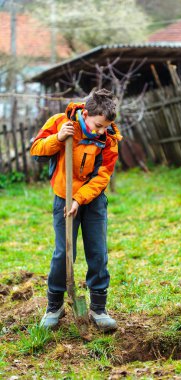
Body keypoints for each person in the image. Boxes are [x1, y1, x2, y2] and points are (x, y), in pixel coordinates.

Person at [30, 89, 122, 332]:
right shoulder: (61, 122)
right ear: (87, 113)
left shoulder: (109, 138)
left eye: (107, 126)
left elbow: (103, 176)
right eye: (99, 125)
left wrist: (79, 199)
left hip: (92, 200)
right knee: (64, 253)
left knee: (98, 252)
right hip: (63, 198)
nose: (103, 130)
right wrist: (58, 138)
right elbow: (36, 150)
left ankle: (98, 308)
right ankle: (54, 307)